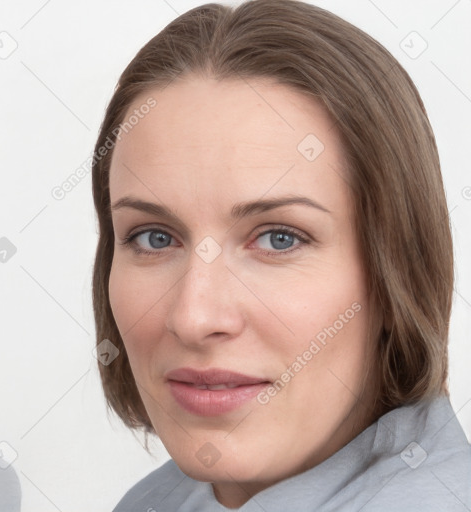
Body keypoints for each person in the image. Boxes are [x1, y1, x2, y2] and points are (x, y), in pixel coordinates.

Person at [90, 1, 471, 510]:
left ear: (395, 271)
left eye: (279, 239)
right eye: (155, 237)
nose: (193, 317)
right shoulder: (158, 501)